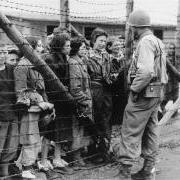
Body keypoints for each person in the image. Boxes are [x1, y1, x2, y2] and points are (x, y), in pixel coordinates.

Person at [112, 10, 168, 180]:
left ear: (135, 27)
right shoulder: (157, 41)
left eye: (131, 28)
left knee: (130, 131)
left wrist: (135, 89)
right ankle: (148, 169)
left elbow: (146, 71)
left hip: (143, 93)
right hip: (156, 91)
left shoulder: (145, 42)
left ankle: (125, 173)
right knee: (151, 130)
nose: (130, 31)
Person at [14, 36, 54, 179]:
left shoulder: (36, 64)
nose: (41, 48)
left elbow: (42, 88)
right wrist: (39, 102)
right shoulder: (23, 66)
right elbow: (21, 92)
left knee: (37, 137)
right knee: (29, 137)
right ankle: (26, 168)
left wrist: (48, 105)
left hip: (40, 108)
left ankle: (28, 165)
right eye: (38, 46)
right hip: (29, 108)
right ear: (29, 48)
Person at [43, 33, 72, 172]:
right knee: (50, 131)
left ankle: (57, 157)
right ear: (59, 46)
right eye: (67, 45)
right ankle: (43, 159)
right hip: (54, 99)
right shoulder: (49, 59)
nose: (70, 48)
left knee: (61, 130)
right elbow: (50, 82)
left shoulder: (64, 58)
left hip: (64, 99)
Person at [87, 28, 112, 161]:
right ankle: (93, 153)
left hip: (106, 91)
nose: (103, 43)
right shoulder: (87, 56)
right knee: (95, 119)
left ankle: (106, 150)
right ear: (93, 40)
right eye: (100, 40)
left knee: (106, 119)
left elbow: (108, 73)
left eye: (104, 41)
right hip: (94, 90)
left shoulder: (107, 56)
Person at [69, 37, 93, 167]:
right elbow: (75, 88)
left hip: (84, 101)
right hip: (80, 103)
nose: (85, 50)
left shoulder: (80, 62)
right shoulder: (73, 63)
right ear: (76, 49)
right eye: (82, 48)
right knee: (77, 129)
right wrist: (85, 100)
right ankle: (75, 158)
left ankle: (79, 156)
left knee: (81, 129)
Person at [0, 45, 19, 178]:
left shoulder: (12, 69)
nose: (2, 55)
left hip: (12, 111)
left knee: (11, 144)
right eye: (0, 52)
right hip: (1, 113)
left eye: (4, 52)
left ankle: (5, 172)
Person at [106, 36, 126, 125]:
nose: (118, 46)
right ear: (109, 47)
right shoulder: (107, 59)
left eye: (119, 45)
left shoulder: (123, 58)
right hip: (112, 88)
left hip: (122, 87)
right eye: (116, 45)